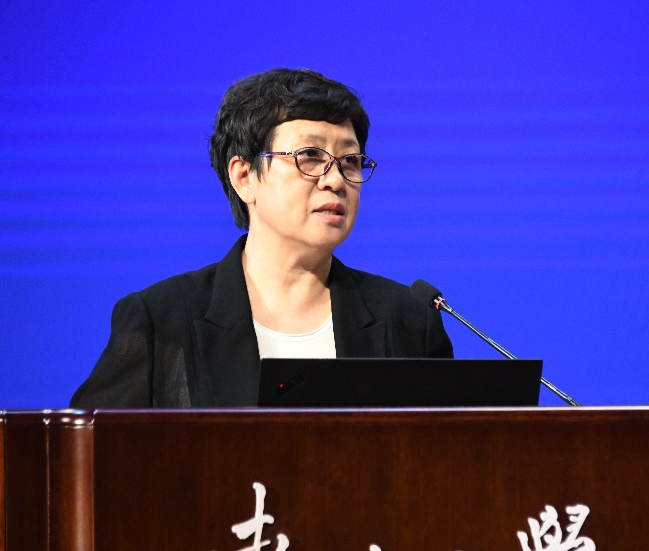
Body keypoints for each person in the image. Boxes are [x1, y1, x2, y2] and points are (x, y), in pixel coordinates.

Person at [70, 68, 453, 408]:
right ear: (244, 177)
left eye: (350, 161)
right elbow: (89, 453)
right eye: (310, 156)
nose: (336, 180)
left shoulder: (408, 322)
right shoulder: (161, 322)